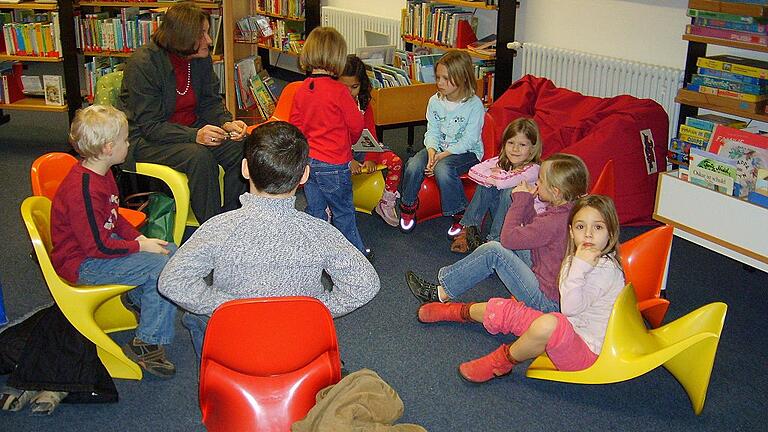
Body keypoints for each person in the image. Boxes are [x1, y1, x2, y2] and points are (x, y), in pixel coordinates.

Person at [158, 121, 380, 358]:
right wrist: (315, 309)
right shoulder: (320, 232)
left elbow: (171, 282)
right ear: (304, 174)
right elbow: (365, 285)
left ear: (245, 169)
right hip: (299, 352)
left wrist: (227, 306)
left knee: (195, 317)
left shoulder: (218, 228)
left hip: (237, 353)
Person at [416, 195, 625, 383]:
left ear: (611, 232)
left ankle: (501, 363)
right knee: (506, 309)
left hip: (587, 352)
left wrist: (578, 266)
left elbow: (569, 309)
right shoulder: (576, 259)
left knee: (550, 324)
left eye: (597, 227)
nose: (588, 234)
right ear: (571, 232)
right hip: (569, 328)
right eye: (581, 227)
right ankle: (456, 311)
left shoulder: (604, 269)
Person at [50, 105, 178, 378]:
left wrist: (140, 237)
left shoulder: (102, 172)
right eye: (125, 140)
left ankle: (139, 298)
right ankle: (147, 342)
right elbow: (98, 247)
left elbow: (114, 216)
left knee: (170, 251)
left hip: (97, 249)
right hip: (83, 263)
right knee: (161, 266)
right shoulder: (83, 189)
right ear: (109, 147)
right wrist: (141, 247)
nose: (128, 144)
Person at [406, 153, 590, 314]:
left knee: (494, 250)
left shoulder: (554, 221)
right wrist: (526, 203)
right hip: (551, 280)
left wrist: (519, 201)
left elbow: (508, 239)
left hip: (546, 300)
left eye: (541, 181)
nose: (537, 183)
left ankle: (441, 293)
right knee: (504, 246)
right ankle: (447, 286)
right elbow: (534, 229)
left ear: (556, 192)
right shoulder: (569, 211)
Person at [118, 2, 247, 224]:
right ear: (184, 37)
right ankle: (212, 228)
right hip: (146, 138)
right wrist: (194, 136)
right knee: (199, 156)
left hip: (189, 129)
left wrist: (226, 123)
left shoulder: (199, 58)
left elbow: (210, 101)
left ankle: (233, 219)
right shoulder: (144, 64)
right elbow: (150, 125)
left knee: (241, 147)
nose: (209, 40)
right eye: (203, 34)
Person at [289, 27, 370, 257]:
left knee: (316, 211)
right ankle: (356, 261)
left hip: (309, 163)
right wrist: (350, 143)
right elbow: (356, 125)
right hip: (334, 164)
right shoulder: (339, 91)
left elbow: (295, 128)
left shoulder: (302, 89)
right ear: (337, 57)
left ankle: (317, 257)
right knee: (344, 213)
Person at [398, 50, 485, 235]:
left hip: (467, 153)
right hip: (438, 149)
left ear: (462, 78)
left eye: (446, 78)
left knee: (443, 169)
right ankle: (408, 204)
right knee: (413, 164)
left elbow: (469, 140)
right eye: (438, 77)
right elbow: (432, 131)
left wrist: (440, 157)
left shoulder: (474, 105)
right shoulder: (435, 101)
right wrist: (431, 152)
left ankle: (460, 213)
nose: (440, 83)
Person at [451, 117, 543, 254]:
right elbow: (473, 171)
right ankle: (470, 229)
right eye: (511, 143)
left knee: (510, 191)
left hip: (524, 221)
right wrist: (494, 176)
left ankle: (495, 240)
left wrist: (494, 175)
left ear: (532, 149)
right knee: (486, 186)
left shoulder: (534, 169)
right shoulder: (501, 161)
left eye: (522, 145)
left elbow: (502, 182)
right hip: (504, 214)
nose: (515, 149)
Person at [339, 54, 403, 227]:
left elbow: (370, 133)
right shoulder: (332, 103)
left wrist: (370, 158)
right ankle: (332, 206)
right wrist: (348, 159)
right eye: (343, 87)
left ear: (362, 85)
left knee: (396, 162)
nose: (349, 92)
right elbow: (332, 138)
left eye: (354, 87)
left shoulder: (363, 102)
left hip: (362, 147)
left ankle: (386, 201)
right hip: (338, 152)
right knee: (332, 170)